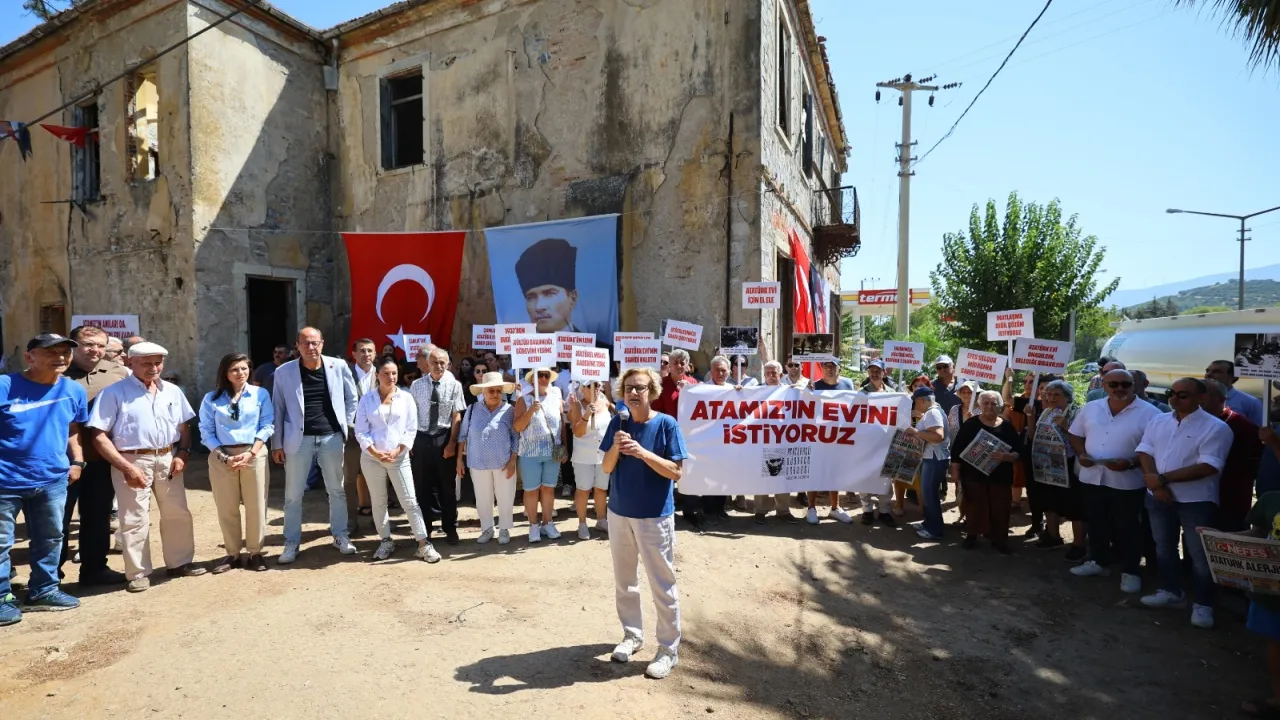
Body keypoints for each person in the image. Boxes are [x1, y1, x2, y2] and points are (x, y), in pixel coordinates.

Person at [87, 341, 205, 592]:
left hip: (168, 457)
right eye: (146, 363)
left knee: (177, 512)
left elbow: (184, 426)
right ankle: (138, 572)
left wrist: (183, 453)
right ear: (131, 362)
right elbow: (98, 435)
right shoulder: (114, 393)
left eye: (158, 363)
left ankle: (180, 562)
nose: (154, 368)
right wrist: (126, 467)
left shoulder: (172, 391)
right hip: (131, 459)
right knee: (134, 517)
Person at [602, 366, 687, 680]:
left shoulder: (666, 424)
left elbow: (676, 472)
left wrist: (642, 453)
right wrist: (616, 445)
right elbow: (607, 467)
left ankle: (668, 649)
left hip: (654, 516)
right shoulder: (618, 422)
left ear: (652, 392)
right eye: (628, 388)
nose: (634, 393)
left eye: (640, 388)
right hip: (619, 513)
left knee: (662, 584)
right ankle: (632, 635)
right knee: (625, 581)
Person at [0, 334, 89, 624]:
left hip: (52, 479)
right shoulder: (4, 386)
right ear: (29, 357)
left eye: (65, 352)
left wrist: (77, 460)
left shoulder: (73, 390)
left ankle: (43, 590)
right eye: (51, 352)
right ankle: (1, 599)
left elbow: (72, 428)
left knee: (50, 537)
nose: (60, 357)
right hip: (5, 481)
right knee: (1, 543)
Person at [1135, 377, 1233, 629]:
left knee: (1200, 555)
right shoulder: (1159, 420)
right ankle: (1170, 591)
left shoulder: (1216, 428)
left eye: (1183, 394)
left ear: (1201, 398)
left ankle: (1203, 604)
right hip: (1158, 497)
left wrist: (1161, 479)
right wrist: (1156, 484)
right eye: (1172, 392)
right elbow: (1145, 450)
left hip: (1196, 501)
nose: (1175, 398)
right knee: (1164, 547)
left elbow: (1208, 466)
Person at [1066, 368, 1163, 589]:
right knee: (1096, 522)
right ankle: (1098, 562)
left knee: (1128, 527)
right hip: (1092, 477)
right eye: (1113, 384)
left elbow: (1157, 448)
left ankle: (1130, 571)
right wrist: (1081, 454)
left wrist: (1131, 462)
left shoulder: (1151, 413)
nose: (1120, 388)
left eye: (1125, 384)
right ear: (1104, 386)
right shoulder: (1091, 408)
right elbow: (1075, 434)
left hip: (1127, 482)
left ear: (1134, 385)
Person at [269, 327, 358, 565]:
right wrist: (276, 443)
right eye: (306, 343)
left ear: (322, 343)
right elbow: (278, 408)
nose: (311, 347)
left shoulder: (338, 366)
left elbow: (352, 398)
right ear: (297, 346)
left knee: (336, 490)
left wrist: (346, 425)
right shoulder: (284, 372)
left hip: (331, 437)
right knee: (293, 495)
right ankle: (291, 542)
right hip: (298, 440)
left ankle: (340, 535)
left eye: (315, 342)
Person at [61, 325, 129, 586]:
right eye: (88, 344)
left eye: (100, 345)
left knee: (97, 517)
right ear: (73, 345)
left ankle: (94, 570)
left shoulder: (117, 372)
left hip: (101, 459)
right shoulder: (56, 371)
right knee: (57, 522)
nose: (95, 350)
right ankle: (51, 578)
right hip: (63, 461)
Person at [356, 355, 440, 563]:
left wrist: (397, 451)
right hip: (371, 458)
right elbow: (361, 430)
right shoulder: (367, 399)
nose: (391, 377)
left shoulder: (406, 398)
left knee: (409, 501)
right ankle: (386, 541)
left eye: (394, 373)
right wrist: (375, 452)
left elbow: (411, 429)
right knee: (378, 502)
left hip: (399, 457)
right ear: (377, 375)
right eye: (386, 373)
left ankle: (423, 544)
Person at [199, 353, 274, 573]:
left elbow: (267, 424)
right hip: (222, 456)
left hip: (254, 453)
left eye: (244, 368)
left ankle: (255, 552)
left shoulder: (260, 394)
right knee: (226, 506)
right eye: (234, 369)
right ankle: (232, 553)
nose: (240, 373)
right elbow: (206, 430)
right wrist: (224, 456)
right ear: (225, 373)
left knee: (256, 505)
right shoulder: (211, 398)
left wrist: (251, 453)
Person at [950, 390, 1023, 553]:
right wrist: (955, 471)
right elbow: (957, 449)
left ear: (1000, 406)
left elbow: (1018, 450)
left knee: (1000, 507)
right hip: (973, 475)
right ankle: (972, 535)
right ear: (980, 405)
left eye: (993, 403)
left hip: (1000, 476)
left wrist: (1009, 456)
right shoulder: (971, 424)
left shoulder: (1007, 426)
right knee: (974, 505)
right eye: (986, 403)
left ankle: (999, 539)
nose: (989, 406)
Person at [410, 347, 466, 544]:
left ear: (448, 364)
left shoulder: (455, 385)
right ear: (427, 364)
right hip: (421, 438)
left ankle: (450, 527)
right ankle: (425, 530)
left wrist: (451, 443)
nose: (439, 366)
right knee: (422, 487)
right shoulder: (416, 385)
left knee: (447, 487)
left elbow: (456, 416)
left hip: (444, 437)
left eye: (443, 362)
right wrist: (411, 442)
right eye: (434, 362)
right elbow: (411, 415)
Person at [457, 372, 520, 544]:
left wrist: (513, 460)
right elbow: (462, 435)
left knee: (505, 496)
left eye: (498, 391)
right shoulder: (472, 410)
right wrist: (459, 460)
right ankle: (487, 528)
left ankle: (504, 529)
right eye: (491, 391)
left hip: (504, 462)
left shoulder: (509, 410)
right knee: (482, 498)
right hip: (477, 461)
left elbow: (516, 436)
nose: (495, 394)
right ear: (483, 392)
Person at [1024, 380, 1085, 554]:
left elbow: (1083, 440)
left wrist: (1066, 427)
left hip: (1069, 465)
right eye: (1048, 394)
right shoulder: (1046, 412)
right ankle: (1053, 536)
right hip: (1047, 464)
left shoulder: (1077, 412)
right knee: (1049, 503)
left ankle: (1078, 545)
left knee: (1074, 506)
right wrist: (1030, 417)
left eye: (1056, 394)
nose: (1051, 398)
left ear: (1067, 396)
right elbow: (1033, 437)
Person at [1238, 491, 1280, 719]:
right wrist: (1221, 538)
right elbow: (1260, 533)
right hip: (1272, 592)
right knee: (1274, 642)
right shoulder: (1271, 499)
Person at [513, 367, 567, 542]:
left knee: (549, 489)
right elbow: (517, 427)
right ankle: (533, 525)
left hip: (552, 452)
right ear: (532, 380)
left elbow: (561, 426)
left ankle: (548, 523)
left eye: (546, 376)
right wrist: (531, 410)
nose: (544, 378)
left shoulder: (556, 399)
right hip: (530, 453)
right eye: (540, 375)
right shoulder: (523, 400)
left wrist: (564, 447)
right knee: (531, 490)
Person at [1201, 379, 1262, 532]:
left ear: (1222, 399)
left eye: (1204, 394)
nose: (1198, 398)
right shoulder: (1187, 421)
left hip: (1231, 495)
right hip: (1197, 495)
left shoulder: (1243, 426)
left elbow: (1254, 464)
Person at [654, 350, 705, 529]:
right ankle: (665, 509)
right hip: (668, 436)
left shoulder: (693, 383)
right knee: (668, 472)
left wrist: (689, 390)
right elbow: (657, 412)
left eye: (682, 362)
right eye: (675, 362)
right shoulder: (662, 385)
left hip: (691, 439)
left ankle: (690, 511)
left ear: (688, 366)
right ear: (669, 365)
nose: (679, 366)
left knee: (690, 474)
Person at [805, 359, 858, 525]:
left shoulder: (848, 384)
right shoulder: (814, 385)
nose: (829, 369)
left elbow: (855, 406)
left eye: (832, 366)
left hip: (839, 436)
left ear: (838, 369)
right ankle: (811, 508)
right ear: (821, 369)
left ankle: (835, 508)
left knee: (835, 472)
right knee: (815, 472)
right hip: (817, 436)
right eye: (826, 366)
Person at [753, 361, 797, 524]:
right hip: (761, 440)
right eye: (768, 373)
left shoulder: (789, 391)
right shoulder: (755, 391)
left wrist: (808, 390)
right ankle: (760, 510)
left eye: (774, 373)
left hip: (782, 439)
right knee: (761, 477)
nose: (771, 376)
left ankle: (783, 510)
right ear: (764, 375)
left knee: (782, 476)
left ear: (781, 375)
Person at [569, 380, 614, 539]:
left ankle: (601, 520)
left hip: (603, 455)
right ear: (583, 389)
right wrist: (587, 414)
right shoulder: (577, 405)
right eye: (590, 386)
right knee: (583, 490)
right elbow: (577, 432)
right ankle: (582, 523)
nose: (595, 389)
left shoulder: (605, 402)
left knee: (601, 489)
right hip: (583, 456)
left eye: (597, 385)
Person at [346, 338, 378, 533]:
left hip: (377, 437)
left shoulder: (383, 374)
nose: (366, 354)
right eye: (362, 350)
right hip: (351, 437)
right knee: (349, 480)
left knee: (379, 480)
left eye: (370, 351)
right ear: (354, 354)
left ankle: (379, 520)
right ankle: (350, 522)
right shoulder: (345, 375)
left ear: (375, 354)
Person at [909, 387, 949, 540]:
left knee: (930, 494)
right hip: (933, 458)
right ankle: (929, 523)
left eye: (915, 402)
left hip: (934, 459)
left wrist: (915, 432)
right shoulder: (934, 411)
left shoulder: (932, 413)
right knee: (928, 493)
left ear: (920, 400)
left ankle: (934, 529)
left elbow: (938, 436)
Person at [517, 238, 580, 333]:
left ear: (572, 298)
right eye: (530, 297)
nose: (538, 307)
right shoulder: (517, 343)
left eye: (550, 294)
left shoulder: (595, 343)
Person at [1207, 359, 1266, 428]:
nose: (1209, 374)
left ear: (1233, 376)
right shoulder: (1199, 398)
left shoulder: (1250, 402)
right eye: (1207, 371)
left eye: (1217, 371)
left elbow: (1261, 430)